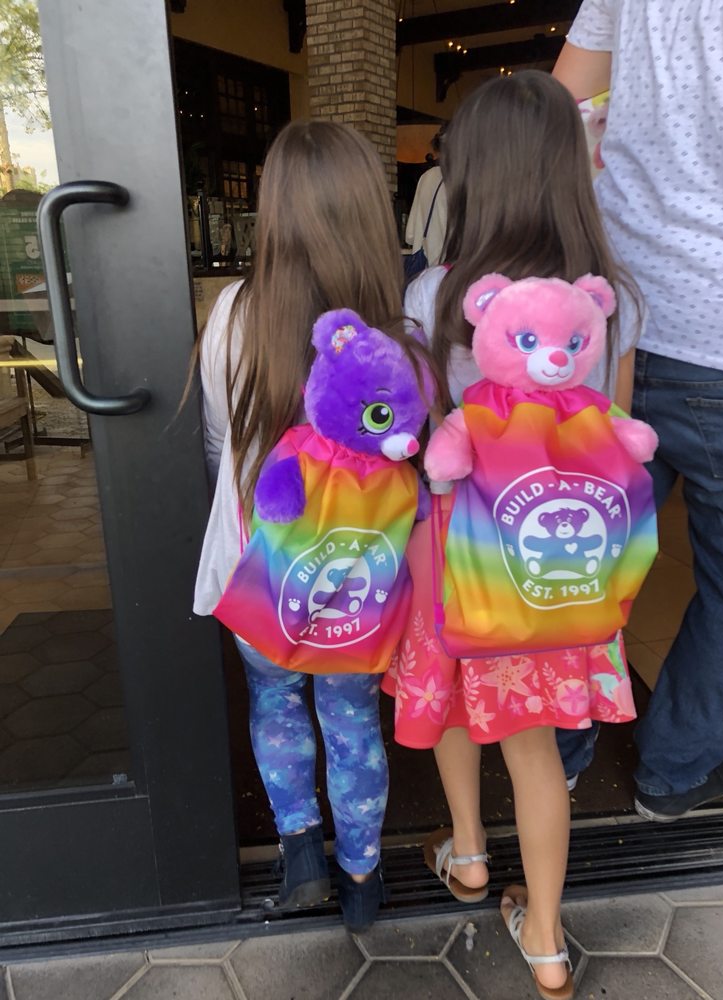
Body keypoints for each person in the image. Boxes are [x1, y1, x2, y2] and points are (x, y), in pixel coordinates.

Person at [383, 71, 643, 1000]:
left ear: (474, 174)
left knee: (455, 702)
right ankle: (545, 941)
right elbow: (615, 434)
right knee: (533, 747)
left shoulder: (438, 297)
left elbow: (423, 439)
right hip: (555, 559)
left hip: (456, 549)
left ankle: (467, 854)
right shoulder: (610, 301)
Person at [192, 121, 412, 933]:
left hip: (263, 561)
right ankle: (362, 877)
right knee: (351, 715)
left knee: (274, 697)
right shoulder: (398, 329)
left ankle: (300, 856)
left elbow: (219, 441)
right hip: (357, 569)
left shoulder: (235, 313)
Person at [553, 0, 723, 822]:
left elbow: (557, 104)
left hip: (616, 320)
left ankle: (553, 755)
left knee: (583, 554)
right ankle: (677, 767)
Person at [405, 127, 448, 268]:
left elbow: (410, 235)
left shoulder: (426, 178)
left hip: (426, 269)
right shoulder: (463, 179)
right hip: (451, 269)